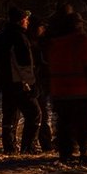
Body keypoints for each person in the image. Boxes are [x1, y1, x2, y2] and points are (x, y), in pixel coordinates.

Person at [46, 12, 87, 164]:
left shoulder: (55, 43)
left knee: (63, 124)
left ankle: (66, 153)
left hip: (59, 90)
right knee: (83, 123)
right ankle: (84, 150)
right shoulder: (81, 40)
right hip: (80, 90)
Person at [0, 7, 41, 155]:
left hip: (6, 83)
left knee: (10, 115)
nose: (27, 22)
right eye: (26, 19)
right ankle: (28, 146)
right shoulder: (19, 38)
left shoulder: (2, 37)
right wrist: (32, 84)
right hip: (19, 84)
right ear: (21, 20)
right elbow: (24, 65)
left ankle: (10, 147)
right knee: (34, 113)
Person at [26, 14, 53, 151]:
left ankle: (38, 142)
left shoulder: (38, 43)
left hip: (39, 82)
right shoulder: (34, 44)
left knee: (38, 113)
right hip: (37, 83)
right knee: (40, 113)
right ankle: (42, 143)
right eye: (41, 27)